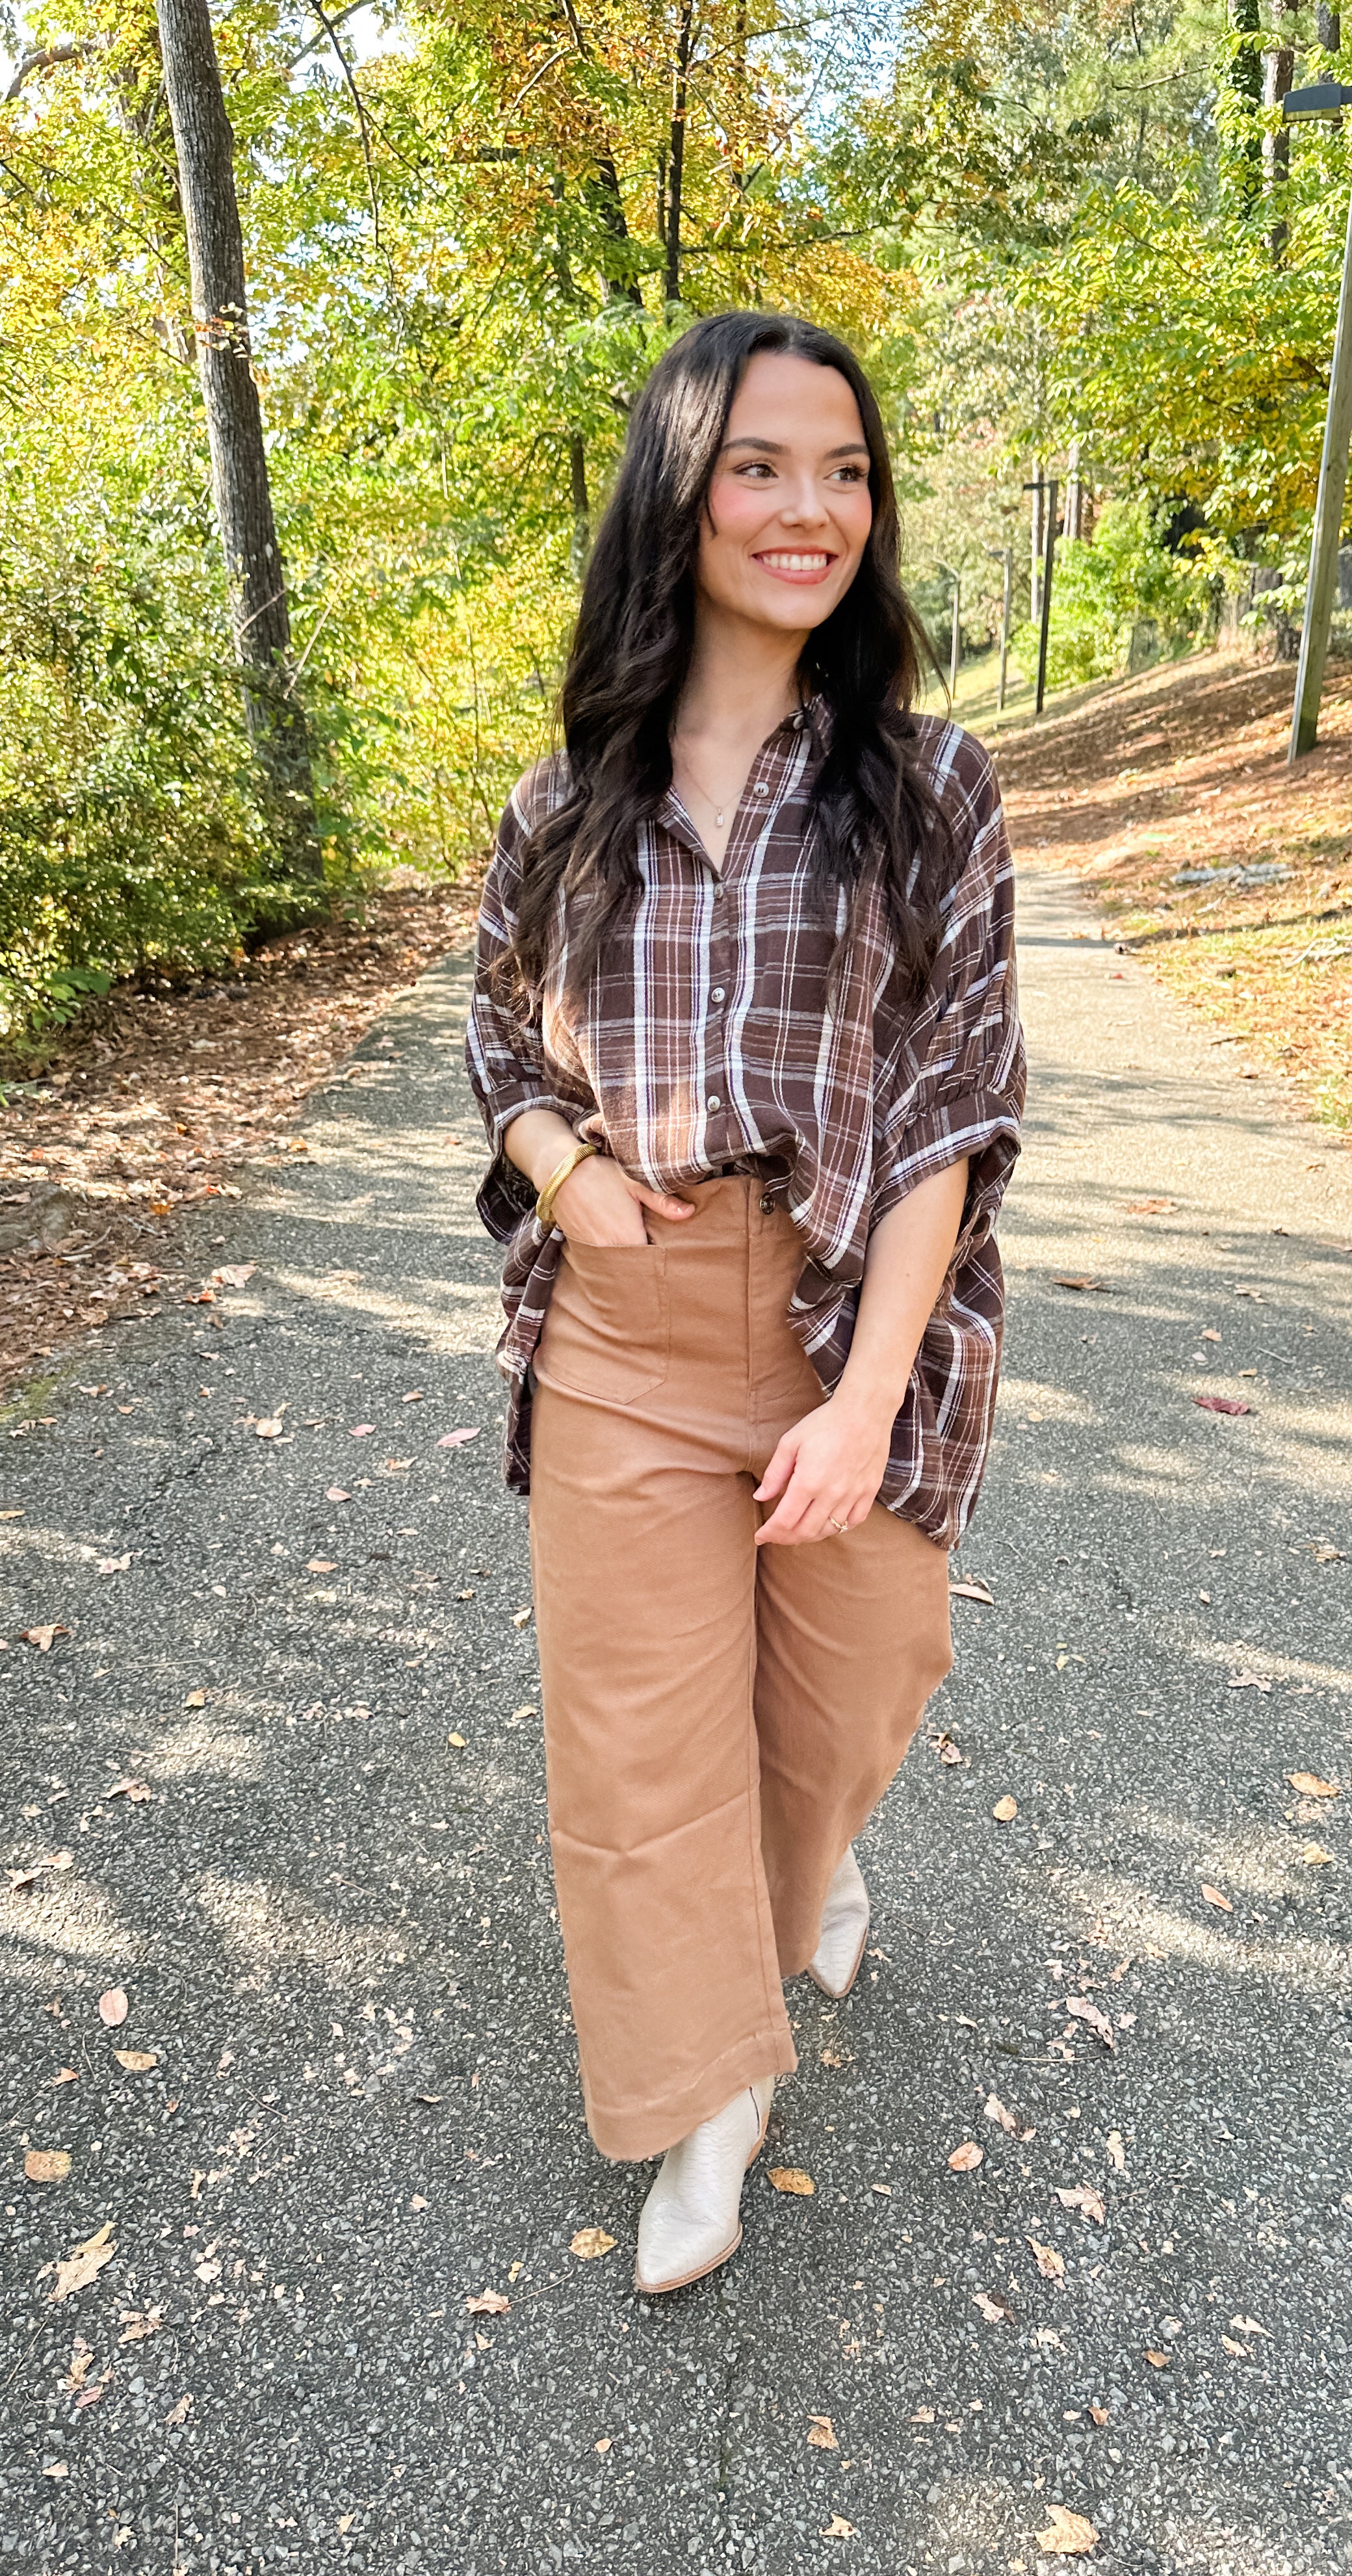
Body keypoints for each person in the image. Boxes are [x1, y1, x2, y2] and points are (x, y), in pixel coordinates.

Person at [465, 309, 1023, 2295]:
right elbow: (495, 1048)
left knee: (864, 1675)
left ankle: (816, 1862)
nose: (813, 509)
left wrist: (871, 1396)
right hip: (624, 1324)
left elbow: (957, 1106)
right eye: (766, 466)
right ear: (681, 489)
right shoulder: (567, 798)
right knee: (640, 1742)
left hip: (839, 1314)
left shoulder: (931, 786)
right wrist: (568, 1176)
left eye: (847, 470)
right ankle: (713, 2090)